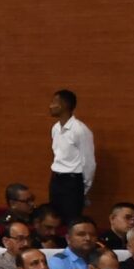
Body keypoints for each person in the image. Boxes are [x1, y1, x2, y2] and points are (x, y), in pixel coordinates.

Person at [46, 88, 94, 224]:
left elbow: (89, 162)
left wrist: (83, 188)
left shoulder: (80, 130)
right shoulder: (55, 128)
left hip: (72, 181)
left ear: (64, 105)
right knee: (54, 218)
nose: (51, 106)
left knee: (72, 221)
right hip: (56, 178)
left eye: (54, 102)